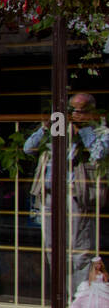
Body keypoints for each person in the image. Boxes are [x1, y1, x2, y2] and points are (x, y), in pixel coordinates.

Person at [25, 91, 109, 290]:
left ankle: (77, 299)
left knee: (79, 249)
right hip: (49, 196)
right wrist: (46, 127)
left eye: (81, 111)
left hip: (76, 196)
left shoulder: (100, 131)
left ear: (91, 112)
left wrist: (85, 128)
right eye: (72, 110)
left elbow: (99, 153)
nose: (75, 114)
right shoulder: (57, 130)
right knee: (52, 249)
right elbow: (28, 148)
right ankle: (60, 294)